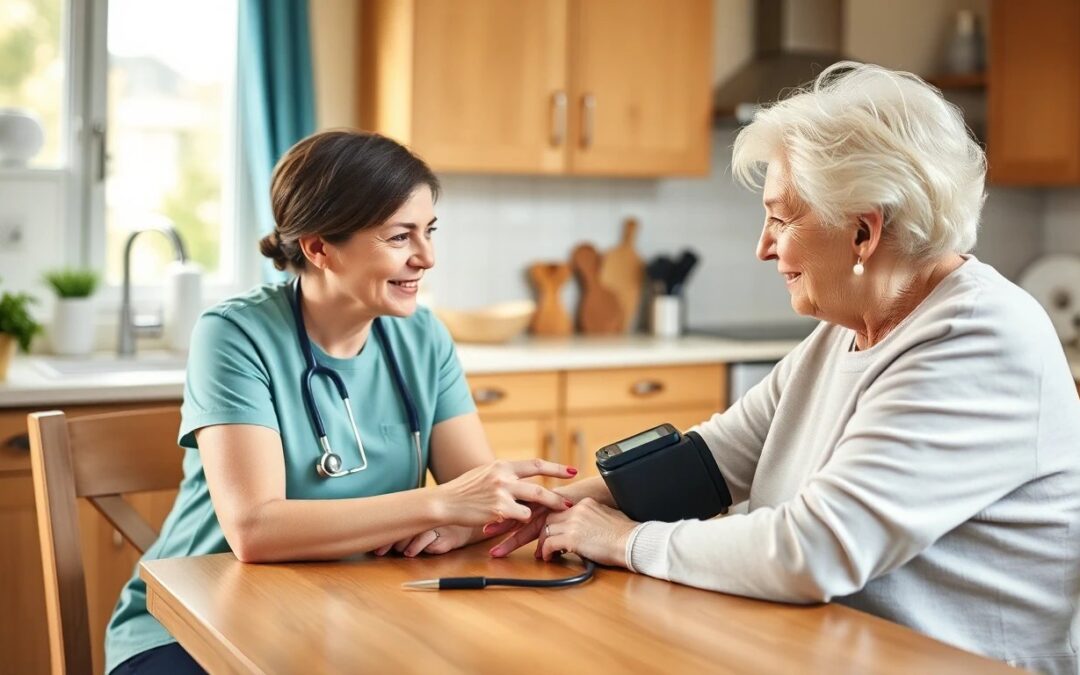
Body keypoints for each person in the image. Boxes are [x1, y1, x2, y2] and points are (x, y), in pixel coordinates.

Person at [491, 62, 1080, 673]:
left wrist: (622, 541)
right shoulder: (846, 330)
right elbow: (714, 459)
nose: (764, 245)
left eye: (781, 216)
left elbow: (815, 550)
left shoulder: (978, 338)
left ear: (862, 231)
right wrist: (547, 510)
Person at [105, 130, 578, 674]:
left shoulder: (424, 338)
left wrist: (467, 515)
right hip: (191, 628)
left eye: (428, 231)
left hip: (350, 612)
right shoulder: (234, 335)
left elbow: (483, 502)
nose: (427, 257)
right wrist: (440, 504)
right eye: (400, 237)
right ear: (318, 247)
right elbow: (255, 530)